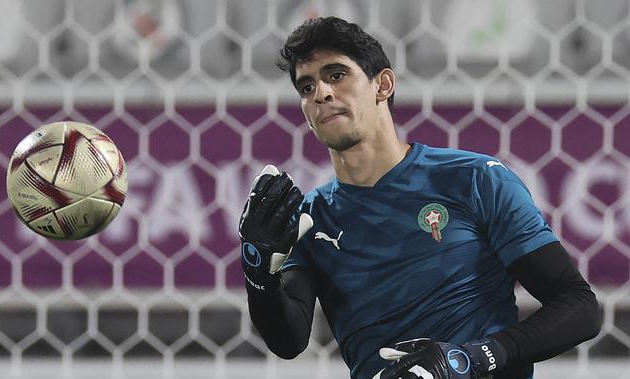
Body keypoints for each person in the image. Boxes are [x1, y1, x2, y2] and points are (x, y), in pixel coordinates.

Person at [238, 16, 601, 379]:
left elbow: (579, 306)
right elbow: (288, 341)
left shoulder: (474, 179)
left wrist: (473, 357)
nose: (321, 93)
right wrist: (259, 276)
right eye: (306, 87)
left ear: (383, 84)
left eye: (336, 75)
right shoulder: (310, 218)